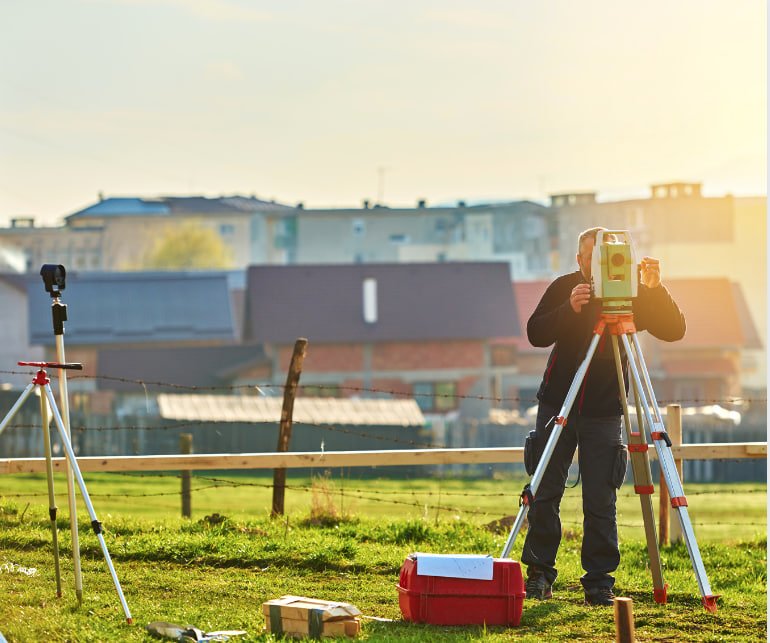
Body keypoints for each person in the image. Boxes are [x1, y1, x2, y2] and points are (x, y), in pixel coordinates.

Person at [521, 226, 686, 606]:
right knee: (544, 492)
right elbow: (535, 333)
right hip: (557, 403)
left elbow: (674, 329)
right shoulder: (565, 286)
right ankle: (539, 575)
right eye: (592, 257)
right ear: (580, 261)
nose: (600, 265)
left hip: (605, 408)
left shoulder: (630, 291)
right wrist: (570, 309)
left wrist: (655, 288)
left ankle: (599, 583)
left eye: (607, 256)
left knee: (601, 498)